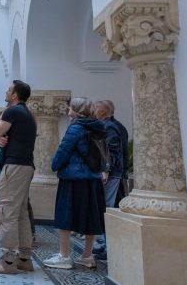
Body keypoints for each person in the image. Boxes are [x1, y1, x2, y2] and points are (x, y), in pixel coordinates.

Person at [43, 97, 107, 270]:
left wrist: (54, 165)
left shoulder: (76, 127)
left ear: (77, 110)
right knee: (90, 216)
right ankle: (87, 256)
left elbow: (63, 150)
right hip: (93, 178)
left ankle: (64, 256)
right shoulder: (98, 126)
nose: (68, 109)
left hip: (74, 178)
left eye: (70, 107)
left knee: (66, 215)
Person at [0, 80, 37, 274]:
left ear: (14, 95)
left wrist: (0, 133)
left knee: (7, 211)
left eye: (9, 90)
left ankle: (7, 261)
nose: (6, 92)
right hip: (26, 166)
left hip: (13, 167)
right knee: (21, 212)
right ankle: (24, 258)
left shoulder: (12, 111)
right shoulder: (28, 114)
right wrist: (4, 140)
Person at [92, 99, 129, 260]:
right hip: (115, 173)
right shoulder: (114, 125)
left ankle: (110, 247)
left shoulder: (110, 127)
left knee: (108, 208)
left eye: (96, 108)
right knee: (108, 207)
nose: (94, 110)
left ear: (104, 112)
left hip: (112, 174)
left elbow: (112, 151)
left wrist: (106, 170)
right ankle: (106, 243)